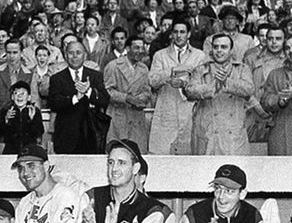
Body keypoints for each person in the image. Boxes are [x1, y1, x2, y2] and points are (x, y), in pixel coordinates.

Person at [184, 33, 254, 155]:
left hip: (233, 134)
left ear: (231, 50)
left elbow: (249, 89)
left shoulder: (242, 69)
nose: (219, 51)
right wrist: (213, 87)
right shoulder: (201, 69)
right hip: (207, 132)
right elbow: (190, 91)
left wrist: (227, 82)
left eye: (224, 47)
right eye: (216, 47)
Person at [148, 18, 208, 155]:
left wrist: (184, 83)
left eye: (182, 32)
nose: (179, 35)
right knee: (162, 156)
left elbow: (203, 85)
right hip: (166, 110)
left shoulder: (200, 56)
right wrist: (171, 72)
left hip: (190, 111)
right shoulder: (160, 55)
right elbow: (152, 80)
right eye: (175, 32)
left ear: (189, 34)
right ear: (171, 34)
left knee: (188, 157)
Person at [49, 40, 110, 154]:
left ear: (85, 55)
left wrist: (88, 91)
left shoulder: (95, 76)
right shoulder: (57, 78)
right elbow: (54, 103)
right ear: (66, 56)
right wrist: (75, 98)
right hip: (66, 136)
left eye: (78, 52)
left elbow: (105, 100)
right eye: (71, 53)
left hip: (91, 135)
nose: (75, 56)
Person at [104, 35, 152, 152]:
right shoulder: (113, 66)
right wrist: (127, 98)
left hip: (137, 117)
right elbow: (107, 91)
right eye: (136, 48)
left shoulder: (144, 68)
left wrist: (141, 98)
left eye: (142, 48)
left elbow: (147, 90)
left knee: (138, 154)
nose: (140, 51)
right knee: (117, 152)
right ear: (128, 48)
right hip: (118, 116)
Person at [0, 38, 31, 147]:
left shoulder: (29, 74)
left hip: (24, 125)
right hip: (0, 123)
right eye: (8, 52)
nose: (11, 56)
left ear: (21, 53)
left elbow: (34, 101)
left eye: (15, 52)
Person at [0, 80, 44, 154]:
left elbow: (39, 132)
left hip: (29, 151)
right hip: (11, 150)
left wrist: (31, 120)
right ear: (12, 97)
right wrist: (5, 120)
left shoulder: (34, 111)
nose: (19, 96)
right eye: (16, 93)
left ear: (29, 97)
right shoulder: (6, 110)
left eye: (22, 93)